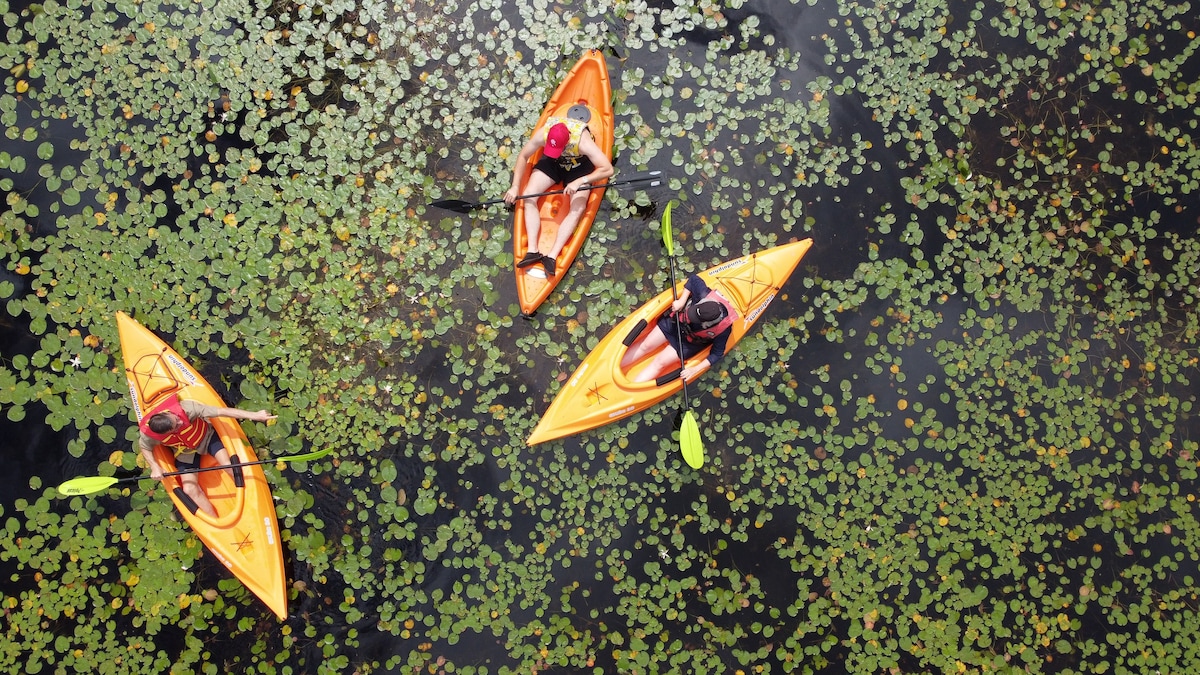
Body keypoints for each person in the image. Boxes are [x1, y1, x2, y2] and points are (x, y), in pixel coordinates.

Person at [504, 109, 613, 277]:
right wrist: (514, 186)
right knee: (529, 195)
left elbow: (607, 169)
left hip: (579, 168)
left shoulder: (582, 141)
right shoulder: (545, 133)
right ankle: (532, 250)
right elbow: (523, 156)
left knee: (577, 207)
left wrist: (580, 182)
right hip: (553, 163)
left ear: (568, 140)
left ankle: (552, 256)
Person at [138, 393, 275, 518]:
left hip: (207, 438)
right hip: (185, 452)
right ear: (167, 432)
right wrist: (154, 466)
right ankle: (216, 522)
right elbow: (144, 447)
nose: (181, 421)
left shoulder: (187, 409)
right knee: (189, 489)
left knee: (228, 466)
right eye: (176, 425)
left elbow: (222, 411)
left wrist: (255, 415)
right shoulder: (150, 434)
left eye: (176, 419)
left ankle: (252, 503)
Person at [620, 274, 739, 383]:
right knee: (646, 345)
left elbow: (717, 354)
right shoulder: (703, 293)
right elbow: (693, 279)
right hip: (676, 321)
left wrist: (695, 369)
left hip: (688, 342)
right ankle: (615, 366)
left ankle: (632, 387)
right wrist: (682, 301)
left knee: (660, 362)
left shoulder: (724, 328)